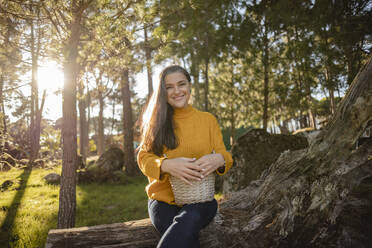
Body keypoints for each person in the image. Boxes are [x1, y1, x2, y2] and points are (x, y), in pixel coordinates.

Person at [137, 65, 233, 248]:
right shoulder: (155, 121)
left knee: (188, 220)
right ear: (163, 92)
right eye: (169, 87)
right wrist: (165, 165)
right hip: (162, 201)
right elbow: (143, 158)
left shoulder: (207, 120)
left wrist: (219, 159)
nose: (177, 91)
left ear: (189, 86)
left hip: (201, 201)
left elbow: (226, 156)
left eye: (181, 84)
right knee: (185, 238)